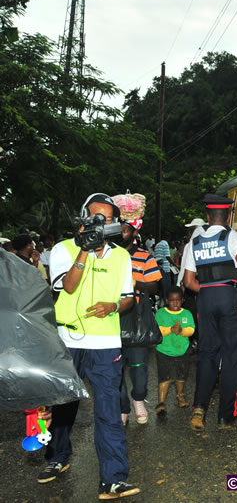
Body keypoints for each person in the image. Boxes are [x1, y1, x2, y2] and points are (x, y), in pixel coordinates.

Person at [43, 193, 140, 499]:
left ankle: (112, 479)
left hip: (106, 343)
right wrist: (84, 250)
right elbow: (67, 287)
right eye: (96, 218)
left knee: (109, 411)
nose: (102, 224)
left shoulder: (122, 257)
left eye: (108, 220)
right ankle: (57, 458)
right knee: (62, 403)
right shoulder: (63, 249)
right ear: (83, 218)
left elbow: (128, 298)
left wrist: (114, 305)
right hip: (67, 340)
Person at [183, 194, 237, 431]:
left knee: (207, 354)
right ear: (229, 216)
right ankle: (225, 416)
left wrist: (206, 291)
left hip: (205, 299)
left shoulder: (195, 241)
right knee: (232, 357)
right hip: (228, 297)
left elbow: (188, 281)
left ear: (207, 216)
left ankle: (200, 407)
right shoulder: (233, 237)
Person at [112, 193, 162, 426]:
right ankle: (123, 407)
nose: (120, 233)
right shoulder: (106, 256)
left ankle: (138, 400)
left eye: (124, 229)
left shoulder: (144, 257)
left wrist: (132, 282)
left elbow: (154, 287)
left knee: (139, 368)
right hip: (111, 317)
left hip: (138, 317)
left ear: (133, 233)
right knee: (114, 370)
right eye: (117, 229)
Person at [154, 286, 196, 415]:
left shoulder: (186, 314)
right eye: (172, 300)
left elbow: (191, 329)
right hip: (163, 351)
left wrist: (182, 331)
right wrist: (170, 330)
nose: (175, 303)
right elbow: (157, 331)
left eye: (178, 300)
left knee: (181, 375)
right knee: (164, 376)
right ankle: (161, 403)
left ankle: (180, 395)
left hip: (182, 351)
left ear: (182, 300)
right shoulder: (161, 313)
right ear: (167, 300)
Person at [153, 234, 175, 301]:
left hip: (159, 268)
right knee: (167, 288)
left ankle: (160, 302)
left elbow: (156, 257)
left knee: (161, 287)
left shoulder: (157, 245)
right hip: (165, 269)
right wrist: (174, 265)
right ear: (168, 238)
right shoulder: (165, 244)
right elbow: (168, 256)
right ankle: (166, 303)